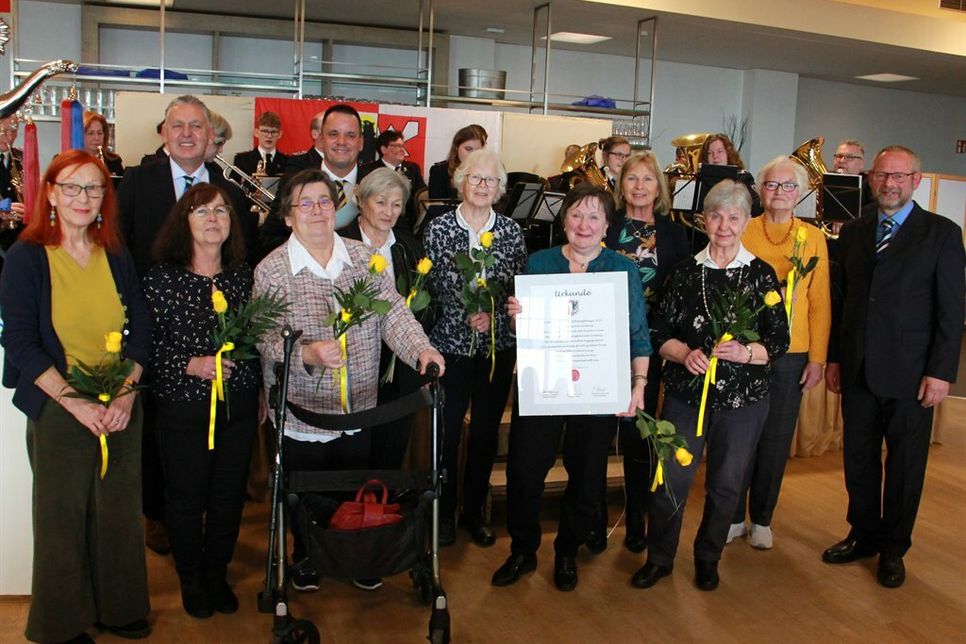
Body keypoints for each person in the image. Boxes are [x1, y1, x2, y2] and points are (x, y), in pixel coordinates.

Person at [254, 168, 444, 593]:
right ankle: (304, 554)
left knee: (352, 483)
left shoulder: (361, 258)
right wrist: (306, 353)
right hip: (303, 411)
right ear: (288, 215)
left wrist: (421, 349)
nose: (317, 211)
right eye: (305, 203)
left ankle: (356, 551)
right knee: (303, 492)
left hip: (359, 404)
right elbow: (264, 337)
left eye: (324, 201)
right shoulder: (272, 269)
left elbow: (392, 312)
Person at [0, 149, 153, 643]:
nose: (83, 198)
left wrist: (126, 394)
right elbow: (20, 340)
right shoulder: (26, 257)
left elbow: (142, 327)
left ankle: (120, 606)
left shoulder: (116, 252)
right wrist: (74, 401)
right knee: (62, 514)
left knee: (118, 510)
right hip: (59, 402)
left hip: (119, 397)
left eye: (94, 188)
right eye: (72, 187)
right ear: (50, 192)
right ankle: (61, 622)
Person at [491, 182, 651, 592]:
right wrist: (515, 317)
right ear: (564, 220)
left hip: (597, 388)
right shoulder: (539, 262)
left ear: (606, 226)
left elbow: (637, 332)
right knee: (526, 469)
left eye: (594, 216)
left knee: (586, 474)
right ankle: (523, 551)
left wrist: (639, 384)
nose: (583, 224)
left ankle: (567, 550)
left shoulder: (622, 268)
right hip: (543, 383)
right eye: (576, 214)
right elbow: (522, 331)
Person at [632, 179, 788, 592]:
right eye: (716, 216)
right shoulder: (685, 272)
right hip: (686, 396)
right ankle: (660, 557)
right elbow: (658, 328)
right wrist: (683, 353)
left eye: (733, 217)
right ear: (704, 220)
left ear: (745, 221)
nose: (723, 225)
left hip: (743, 402)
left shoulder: (761, 274)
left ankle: (708, 556)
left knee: (726, 483)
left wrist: (748, 352)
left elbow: (779, 339)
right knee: (672, 480)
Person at [117, 94, 253, 557]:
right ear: (164, 133)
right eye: (179, 125)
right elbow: (120, 250)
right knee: (160, 430)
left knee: (216, 460)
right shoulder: (137, 182)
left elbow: (242, 260)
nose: (188, 134)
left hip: (217, 335)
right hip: (155, 323)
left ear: (211, 137)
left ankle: (208, 531)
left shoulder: (229, 192)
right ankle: (157, 515)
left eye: (198, 126)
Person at [823, 145, 965, 588]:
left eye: (899, 176)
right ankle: (862, 534)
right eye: (883, 175)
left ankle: (893, 548)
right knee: (858, 460)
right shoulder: (855, 232)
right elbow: (841, 302)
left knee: (904, 466)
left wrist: (941, 372)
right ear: (870, 179)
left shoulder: (942, 233)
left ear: (916, 181)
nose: (890, 183)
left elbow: (950, 310)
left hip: (912, 373)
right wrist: (834, 359)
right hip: (859, 367)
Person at [142, 183, 262, 619]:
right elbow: (145, 346)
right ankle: (190, 577)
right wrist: (191, 365)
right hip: (183, 405)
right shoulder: (161, 278)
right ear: (184, 223)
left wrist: (262, 390)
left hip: (238, 406)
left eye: (222, 211)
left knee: (229, 497)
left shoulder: (244, 276)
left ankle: (217, 573)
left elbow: (258, 340)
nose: (213, 219)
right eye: (202, 212)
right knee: (187, 497)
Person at [423, 149, 526, 547]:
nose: (483, 186)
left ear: (500, 189)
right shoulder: (437, 229)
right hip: (449, 345)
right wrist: (460, 313)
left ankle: (473, 513)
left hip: (496, 348)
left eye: (491, 181)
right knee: (446, 436)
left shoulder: (511, 233)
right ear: (461, 181)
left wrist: (494, 315)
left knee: (484, 435)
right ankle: (444, 514)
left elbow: (518, 293)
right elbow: (429, 291)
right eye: (476, 178)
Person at [730, 157, 830, 549]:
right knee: (740, 435)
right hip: (746, 346)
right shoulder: (744, 227)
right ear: (759, 190)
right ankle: (734, 514)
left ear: (801, 192)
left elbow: (820, 302)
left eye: (788, 186)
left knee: (776, 436)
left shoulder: (813, 237)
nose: (779, 193)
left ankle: (763, 518)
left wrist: (818, 357)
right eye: (771, 185)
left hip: (793, 350)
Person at [602, 151, 689, 554]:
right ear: (621, 185)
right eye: (632, 178)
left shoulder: (675, 233)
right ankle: (591, 517)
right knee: (598, 433)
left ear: (660, 188)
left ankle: (636, 518)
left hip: (647, 346)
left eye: (647, 179)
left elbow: (678, 295)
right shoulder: (608, 223)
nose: (639, 186)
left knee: (639, 436)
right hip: (601, 340)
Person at [339, 167, 427, 471]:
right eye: (380, 202)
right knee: (353, 448)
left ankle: (382, 510)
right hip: (351, 367)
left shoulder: (409, 247)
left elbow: (430, 301)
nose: (389, 212)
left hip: (398, 368)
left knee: (391, 447)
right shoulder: (339, 245)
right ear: (362, 202)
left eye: (397, 204)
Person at [261, 104, 365, 255]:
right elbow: (270, 238)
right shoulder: (296, 181)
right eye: (333, 134)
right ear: (321, 140)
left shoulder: (375, 184)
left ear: (361, 142)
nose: (341, 141)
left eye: (350, 135)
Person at [358, 129, 426, 228]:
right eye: (397, 146)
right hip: (376, 225)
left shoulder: (413, 169)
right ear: (383, 149)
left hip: (408, 226)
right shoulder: (367, 171)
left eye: (403, 146)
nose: (402, 150)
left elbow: (421, 195)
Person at [699, 133, 762, 216]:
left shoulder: (744, 177)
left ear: (728, 154)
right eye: (710, 153)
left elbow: (757, 207)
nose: (715, 156)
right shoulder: (698, 179)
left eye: (720, 151)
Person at [427, 124, 487, 201]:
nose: (473, 154)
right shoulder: (439, 171)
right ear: (456, 148)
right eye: (468, 149)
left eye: (478, 150)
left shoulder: (488, 172)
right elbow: (437, 208)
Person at [233, 111, 287, 177]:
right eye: (265, 131)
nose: (269, 136)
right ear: (256, 133)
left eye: (274, 132)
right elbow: (232, 186)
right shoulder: (242, 160)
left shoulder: (287, 161)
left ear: (279, 134)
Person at [83, 111, 124, 179]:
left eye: (100, 133)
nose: (96, 138)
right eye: (90, 133)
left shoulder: (114, 161)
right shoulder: (68, 161)